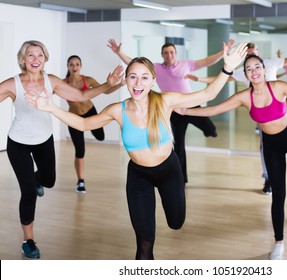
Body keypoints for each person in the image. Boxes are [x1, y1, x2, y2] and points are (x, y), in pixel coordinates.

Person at [26, 43, 248, 260]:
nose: (138, 82)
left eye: (144, 77)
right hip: (138, 176)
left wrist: (227, 69)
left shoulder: (165, 101)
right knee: (144, 242)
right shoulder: (117, 110)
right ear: (126, 80)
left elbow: (207, 95)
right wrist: (50, 107)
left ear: (153, 80)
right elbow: (84, 125)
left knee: (176, 222)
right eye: (133, 76)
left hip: (170, 171)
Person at [177, 54, 287, 260]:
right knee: (278, 195)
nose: (254, 71)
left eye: (257, 67)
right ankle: (279, 242)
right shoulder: (244, 97)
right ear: (245, 74)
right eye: (249, 69)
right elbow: (214, 109)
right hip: (271, 145)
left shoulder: (279, 87)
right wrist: (186, 112)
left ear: (264, 69)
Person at [0, 40, 123, 259]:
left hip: (44, 140)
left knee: (48, 180)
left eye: (40, 55)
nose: (35, 59)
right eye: (30, 55)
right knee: (28, 192)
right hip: (18, 143)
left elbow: (82, 96)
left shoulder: (52, 81)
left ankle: (36, 180)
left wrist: (107, 85)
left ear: (45, 58)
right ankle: (28, 241)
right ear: (23, 59)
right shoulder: (13, 84)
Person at [186, 42, 287, 195]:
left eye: (253, 53)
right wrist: (198, 80)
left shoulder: (269, 64)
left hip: (280, 109)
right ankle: (269, 178)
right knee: (266, 150)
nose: (251, 57)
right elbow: (221, 79)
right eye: (247, 54)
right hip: (261, 113)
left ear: (261, 60)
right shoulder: (242, 72)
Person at [107, 38, 235, 184]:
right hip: (173, 111)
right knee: (178, 145)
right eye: (166, 53)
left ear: (175, 53)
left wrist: (224, 52)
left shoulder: (185, 65)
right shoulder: (156, 68)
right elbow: (133, 63)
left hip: (190, 106)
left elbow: (206, 61)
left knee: (211, 129)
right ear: (162, 55)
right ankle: (182, 178)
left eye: (171, 52)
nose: (169, 55)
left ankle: (210, 132)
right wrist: (119, 52)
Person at [64, 55, 123, 194]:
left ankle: (93, 130)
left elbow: (106, 90)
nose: (74, 67)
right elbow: (49, 90)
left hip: (90, 113)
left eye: (77, 64)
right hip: (74, 118)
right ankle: (81, 181)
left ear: (80, 66)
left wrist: (122, 83)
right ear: (68, 66)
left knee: (100, 137)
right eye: (71, 64)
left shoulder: (87, 80)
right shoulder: (63, 83)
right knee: (80, 151)